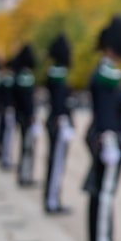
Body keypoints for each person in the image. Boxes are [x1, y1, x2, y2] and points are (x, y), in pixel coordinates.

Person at [84, 14, 121, 241]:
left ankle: (100, 240)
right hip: (108, 139)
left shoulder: (105, 71)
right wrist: (109, 138)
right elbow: (106, 111)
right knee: (104, 193)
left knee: (102, 192)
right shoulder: (106, 73)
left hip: (105, 138)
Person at [44, 34, 75, 214]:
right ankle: (52, 201)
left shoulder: (55, 71)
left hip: (58, 121)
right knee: (56, 164)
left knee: (57, 163)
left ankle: (54, 198)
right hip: (59, 122)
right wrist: (62, 119)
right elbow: (59, 102)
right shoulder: (57, 72)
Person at [10, 44, 39, 187]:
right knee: (27, 147)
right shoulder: (25, 76)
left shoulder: (18, 75)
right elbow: (27, 100)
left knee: (25, 146)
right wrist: (31, 115)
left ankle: (23, 173)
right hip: (26, 117)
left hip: (20, 115)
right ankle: (25, 175)